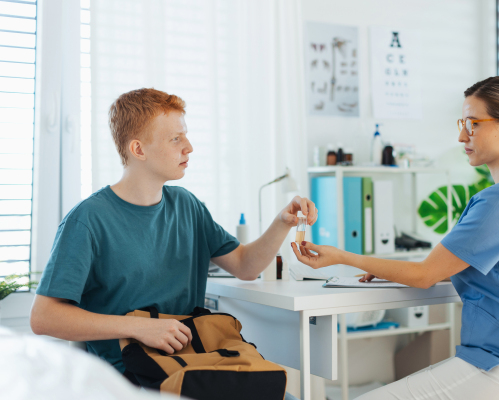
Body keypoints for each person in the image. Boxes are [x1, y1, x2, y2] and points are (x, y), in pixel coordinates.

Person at [292, 76, 499, 400]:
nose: (462, 135)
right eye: (462, 123)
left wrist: (343, 256)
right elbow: (481, 273)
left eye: (473, 124)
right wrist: (384, 269)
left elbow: (425, 275)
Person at [30, 88, 316, 400]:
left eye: (186, 136)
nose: (189, 148)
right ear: (139, 149)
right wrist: (138, 328)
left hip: (194, 361)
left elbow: (245, 266)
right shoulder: (88, 220)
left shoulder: (187, 205)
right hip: (133, 377)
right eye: (175, 139)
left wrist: (282, 222)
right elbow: (44, 317)